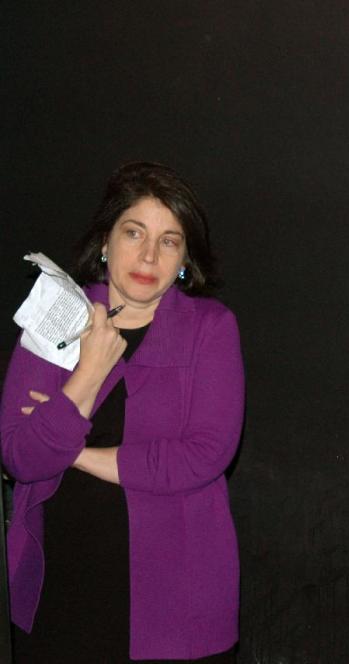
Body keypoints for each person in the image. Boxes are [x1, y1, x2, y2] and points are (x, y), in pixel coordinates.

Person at [1, 162, 243, 662]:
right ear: (106, 241)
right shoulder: (55, 313)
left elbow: (204, 456)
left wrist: (74, 451)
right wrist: (89, 372)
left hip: (178, 598)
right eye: (134, 232)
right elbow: (20, 456)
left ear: (184, 259)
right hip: (64, 591)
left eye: (169, 240)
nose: (149, 254)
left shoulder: (210, 328)